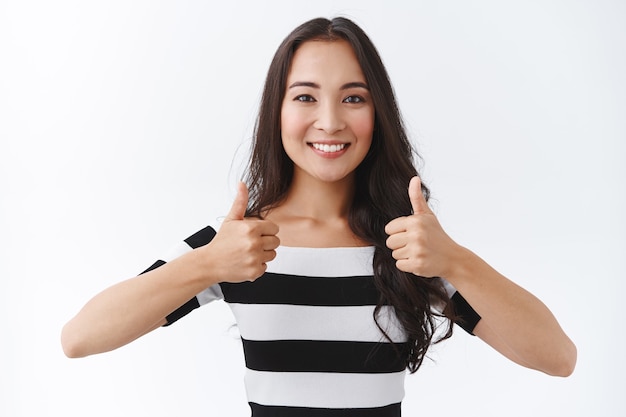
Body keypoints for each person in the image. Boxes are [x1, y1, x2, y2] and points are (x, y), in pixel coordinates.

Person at [61, 16, 576, 416]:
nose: (329, 121)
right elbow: (81, 337)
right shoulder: (239, 243)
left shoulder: (408, 246)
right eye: (305, 96)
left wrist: (457, 262)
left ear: (377, 115)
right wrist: (205, 265)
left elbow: (557, 358)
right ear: (277, 111)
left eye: (353, 97)